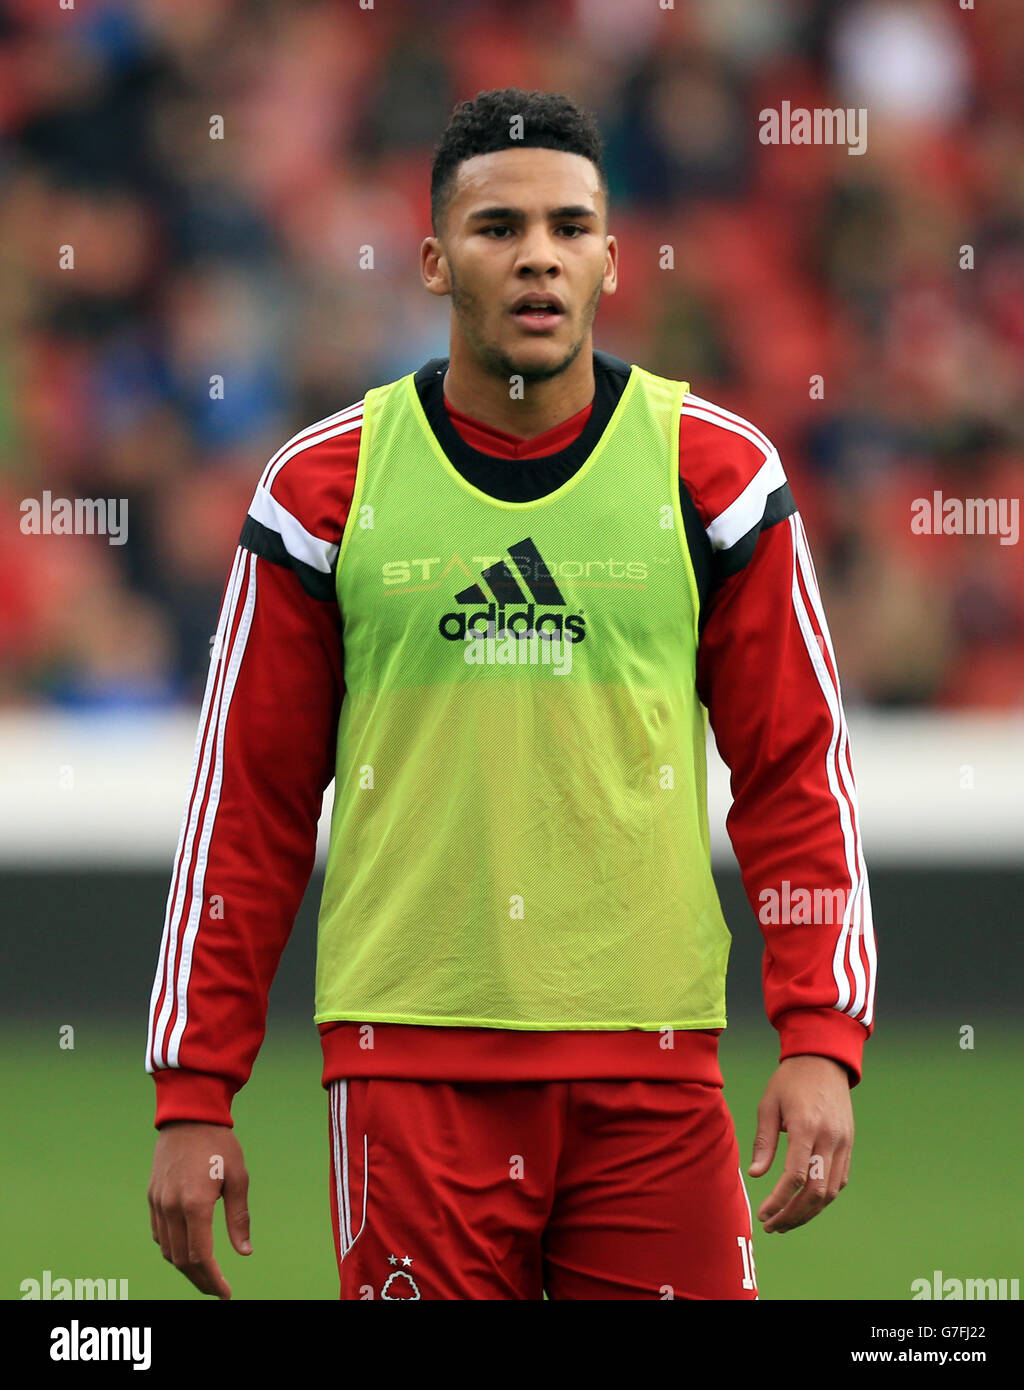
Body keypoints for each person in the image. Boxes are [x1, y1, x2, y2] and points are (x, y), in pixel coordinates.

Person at [146, 88, 875, 1302]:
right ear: (434, 259)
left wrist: (819, 1037)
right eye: (497, 228)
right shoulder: (321, 489)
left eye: (568, 225)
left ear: (608, 257)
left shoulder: (717, 476)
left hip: (654, 1075)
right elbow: (248, 805)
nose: (536, 252)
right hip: (407, 1074)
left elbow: (798, 772)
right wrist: (192, 1090)